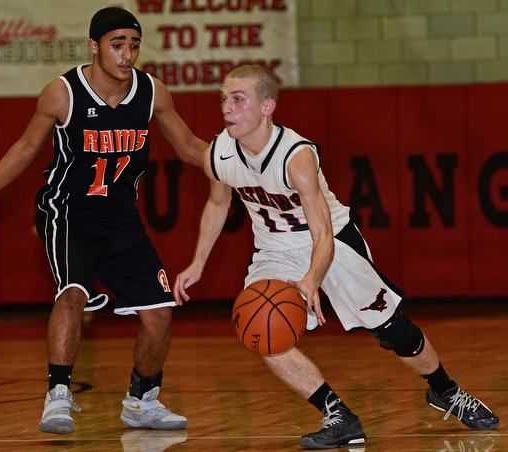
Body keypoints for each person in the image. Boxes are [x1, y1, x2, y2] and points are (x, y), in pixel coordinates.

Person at [174, 65, 499, 449]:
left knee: (393, 330)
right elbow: (217, 203)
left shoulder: (296, 156)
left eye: (238, 99)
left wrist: (312, 278)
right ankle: (338, 415)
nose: (227, 108)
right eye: (223, 99)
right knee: (260, 329)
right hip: (274, 250)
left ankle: (446, 391)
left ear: (267, 107)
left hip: (331, 242)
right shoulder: (221, 152)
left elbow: (323, 232)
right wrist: (198, 263)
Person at [0, 7, 208, 435]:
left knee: (160, 313)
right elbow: (25, 149)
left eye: (134, 45)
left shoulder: (153, 92)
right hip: (68, 210)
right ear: (95, 46)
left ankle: (142, 400)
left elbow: (190, 146)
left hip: (120, 217)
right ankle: (58, 394)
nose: (127, 55)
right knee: (73, 291)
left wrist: (243, 164)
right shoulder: (62, 93)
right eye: (117, 45)